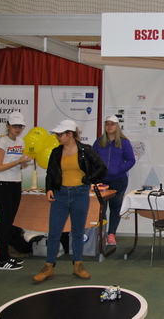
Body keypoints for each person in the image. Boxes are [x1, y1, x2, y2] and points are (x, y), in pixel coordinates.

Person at [32, 120, 107, 283]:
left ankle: (78, 265)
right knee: (54, 232)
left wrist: (87, 179)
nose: (58, 137)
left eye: (60, 134)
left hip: (80, 194)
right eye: (57, 134)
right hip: (60, 195)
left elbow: (102, 168)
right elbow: (51, 173)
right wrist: (49, 189)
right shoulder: (56, 152)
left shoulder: (85, 150)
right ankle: (49, 266)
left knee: (77, 232)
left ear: (70, 134)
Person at [0, 111, 33, 270]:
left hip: (16, 184)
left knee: (9, 223)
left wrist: (23, 164)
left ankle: (6, 256)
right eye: (15, 126)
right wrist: (17, 161)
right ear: (8, 125)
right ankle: (2, 259)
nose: (18, 129)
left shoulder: (21, 142)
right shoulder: (2, 142)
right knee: (5, 223)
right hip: (2, 185)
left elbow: (16, 164)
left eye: (20, 126)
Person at [93, 115, 136, 246]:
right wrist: (97, 172)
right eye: (107, 124)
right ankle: (102, 233)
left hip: (118, 180)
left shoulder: (124, 142)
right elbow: (92, 159)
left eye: (112, 124)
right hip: (101, 180)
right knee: (101, 207)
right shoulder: (99, 142)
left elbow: (131, 160)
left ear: (117, 126)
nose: (109, 126)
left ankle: (111, 234)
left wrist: (118, 169)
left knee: (115, 206)